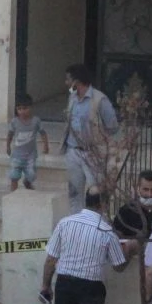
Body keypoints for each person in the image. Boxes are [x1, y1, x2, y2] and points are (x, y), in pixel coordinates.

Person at [61, 64, 118, 212]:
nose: (66, 83)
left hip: (93, 153)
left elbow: (112, 126)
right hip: (73, 150)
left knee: (96, 194)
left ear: (77, 81)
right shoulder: (72, 97)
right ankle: (76, 224)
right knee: (74, 193)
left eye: (68, 79)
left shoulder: (100, 100)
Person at [6, 93, 49, 193]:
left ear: (31, 107)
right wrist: (8, 146)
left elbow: (43, 133)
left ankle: (27, 182)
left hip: (30, 155)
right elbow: (10, 134)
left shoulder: (36, 121)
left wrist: (46, 145)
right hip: (17, 155)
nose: (22, 111)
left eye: (25, 108)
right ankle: (13, 194)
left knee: (31, 174)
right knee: (14, 175)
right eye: (19, 109)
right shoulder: (15, 122)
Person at [113, 169, 152, 241]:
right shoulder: (125, 211)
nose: (149, 194)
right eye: (145, 189)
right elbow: (116, 237)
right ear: (138, 188)